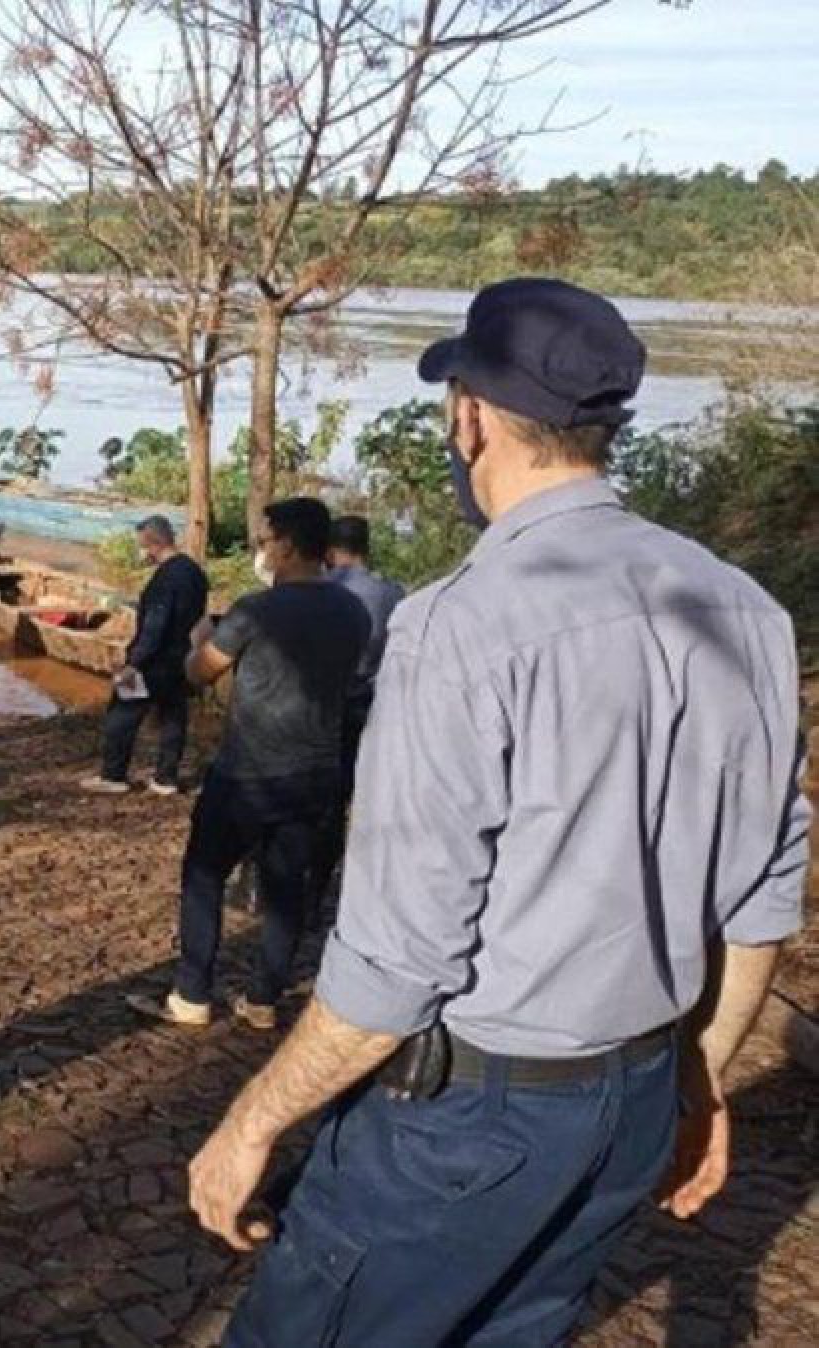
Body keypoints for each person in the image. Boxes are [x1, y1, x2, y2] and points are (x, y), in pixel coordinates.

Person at [185, 278, 808, 1346]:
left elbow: (392, 966)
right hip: (627, 1101)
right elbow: (758, 897)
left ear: (467, 415)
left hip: (461, 1126)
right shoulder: (741, 609)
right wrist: (696, 1085)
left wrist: (249, 1127)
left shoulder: (458, 627)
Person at [133, 499, 369, 1032]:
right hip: (316, 776)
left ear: (285, 544)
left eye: (264, 540)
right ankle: (263, 997)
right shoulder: (352, 612)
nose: (260, 550)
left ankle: (193, 993)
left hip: (247, 775)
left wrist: (198, 640)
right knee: (287, 886)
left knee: (204, 873)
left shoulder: (256, 610)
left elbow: (200, 672)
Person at [305, 515, 404, 908]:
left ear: (329, 549)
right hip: (367, 708)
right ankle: (319, 892)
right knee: (342, 799)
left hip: (316, 706)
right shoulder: (394, 594)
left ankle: (289, 888)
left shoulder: (316, 591)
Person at [79, 516, 210, 796]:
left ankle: (113, 775)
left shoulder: (165, 578)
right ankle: (166, 779)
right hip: (182, 657)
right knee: (174, 716)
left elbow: (155, 626)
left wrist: (133, 663)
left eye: (142, 546)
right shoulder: (194, 572)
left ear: (155, 543)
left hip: (152, 660)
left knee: (121, 713)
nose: (142, 553)